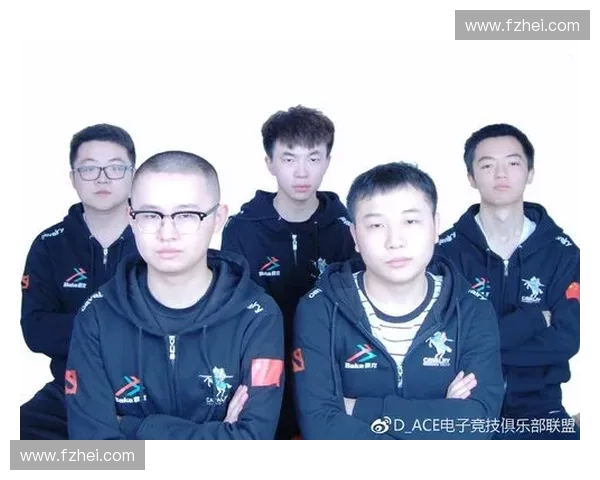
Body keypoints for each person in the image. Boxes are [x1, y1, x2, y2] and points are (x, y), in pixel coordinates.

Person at [65, 151, 285, 440]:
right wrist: (220, 435)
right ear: (131, 218)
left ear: (218, 219)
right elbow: (96, 453)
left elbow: (252, 441)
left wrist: (133, 427)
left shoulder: (258, 316)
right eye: (150, 215)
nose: (167, 233)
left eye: (186, 216)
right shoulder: (96, 316)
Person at [292, 162, 505, 439]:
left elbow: (477, 424)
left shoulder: (472, 309)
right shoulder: (319, 309)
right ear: (355, 236)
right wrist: (441, 417)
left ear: (435, 227)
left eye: (410, 221)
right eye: (376, 225)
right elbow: (321, 427)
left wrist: (359, 409)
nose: (395, 241)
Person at [435, 123, 581, 440]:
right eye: (487, 165)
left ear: (530, 172)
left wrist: (481, 348)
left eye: (513, 163)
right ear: (471, 177)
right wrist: (533, 320)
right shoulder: (444, 253)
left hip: (541, 410)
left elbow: (566, 341)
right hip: (464, 405)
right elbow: (446, 343)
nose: (501, 174)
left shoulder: (561, 250)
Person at [221, 105, 355, 439]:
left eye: (313, 158)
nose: (302, 172)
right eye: (289, 158)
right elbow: (234, 313)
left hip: (331, 369)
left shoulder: (347, 229)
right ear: (270, 162)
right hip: (262, 369)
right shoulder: (241, 229)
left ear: (327, 161)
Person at [19, 123, 138, 440]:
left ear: (133, 175)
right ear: (73, 178)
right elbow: (36, 330)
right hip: (70, 391)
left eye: (115, 168)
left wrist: (85, 329)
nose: (102, 178)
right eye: (89, 168)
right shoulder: (49, 244)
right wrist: (117, 328)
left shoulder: (159, 237)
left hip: (148, 392)